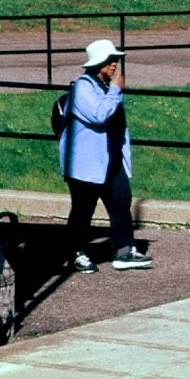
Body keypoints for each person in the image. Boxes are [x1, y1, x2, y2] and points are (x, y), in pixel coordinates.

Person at [60, 38, 152, 272]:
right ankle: (75, 252)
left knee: (121, 202)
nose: (114, 65)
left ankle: (124, 250)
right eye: (110, 61)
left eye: (115, 60)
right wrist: (115, 91)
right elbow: (99, 115)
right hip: (85, 163)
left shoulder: (104, 86)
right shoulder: (82, 87)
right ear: (97, 63)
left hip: (111, 160)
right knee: (83, 211)